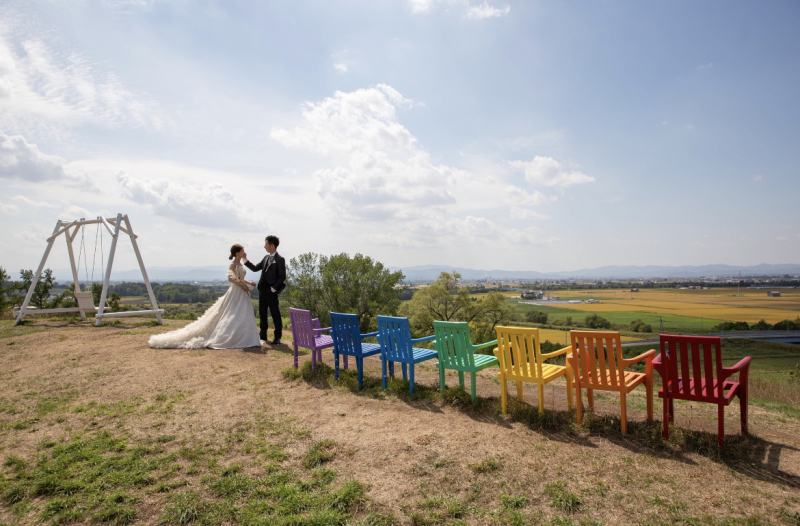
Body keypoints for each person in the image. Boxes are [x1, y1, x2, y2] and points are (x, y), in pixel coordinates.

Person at [148, 244, 260, 349]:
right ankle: (229, 337)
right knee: (230, 312)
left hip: (242, 291)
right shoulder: (233, 264)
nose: (244, 252)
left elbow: (239, 278)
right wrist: (243, 285)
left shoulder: (240, 264)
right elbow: (230, 279)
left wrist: (249, 282)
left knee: (242, 312)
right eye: (242, 251)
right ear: (237, 253)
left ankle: (244, 336)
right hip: (236, 291)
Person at [244, 235, 286, 344]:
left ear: (272, 245)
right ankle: (263, 335)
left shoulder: (280, 259)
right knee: (262, 312)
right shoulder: (266, 258)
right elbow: (254, 268)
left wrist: (273, 288)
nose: (264, 246)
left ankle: (277, 336)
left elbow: (282, 276)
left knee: (275, 313)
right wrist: (245, 259)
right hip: (262, 290)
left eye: (266, 244)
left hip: (271, 291)